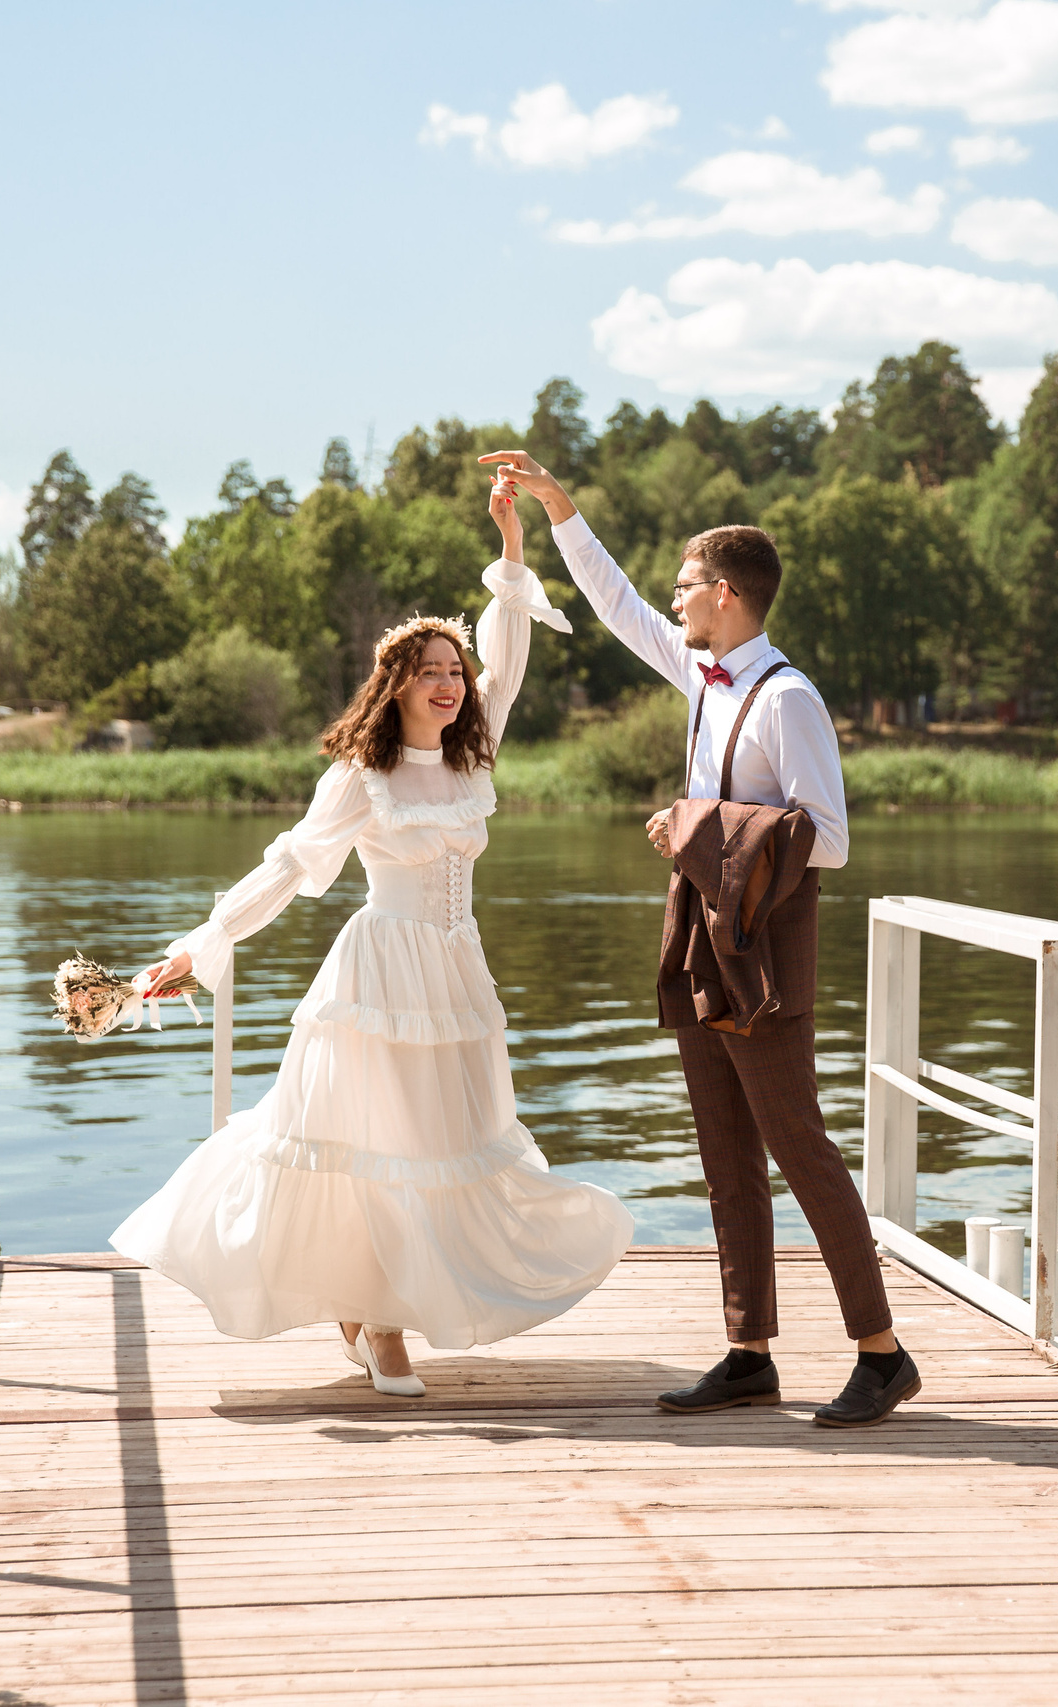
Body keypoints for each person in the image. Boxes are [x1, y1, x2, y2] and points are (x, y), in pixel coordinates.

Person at [108, 479, 632, 1397]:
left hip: (457, 973)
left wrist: (511, 545)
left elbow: (509, 663)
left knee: (449, 1142)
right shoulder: (365, 773)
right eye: (430, 670)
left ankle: (377, 1306)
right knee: (383, 1145)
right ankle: (380, 1322)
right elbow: (291, 863)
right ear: (397, 683)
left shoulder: (472, 756)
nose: (449, 682)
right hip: (379, 976)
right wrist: (207, 940)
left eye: (454, 669)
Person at [478, 446, 921, 1430]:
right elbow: (616, 604)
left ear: (725, 594)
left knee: (799, 1146)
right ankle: (749, 1351)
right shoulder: (699, 670)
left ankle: (882, 1353)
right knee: (724, 1153)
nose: (673, 600)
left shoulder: (789, 698)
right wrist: (557, 508)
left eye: (686, 585)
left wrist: (694, 823)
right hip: (701, 937)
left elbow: (831, 842)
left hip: (769, 951)